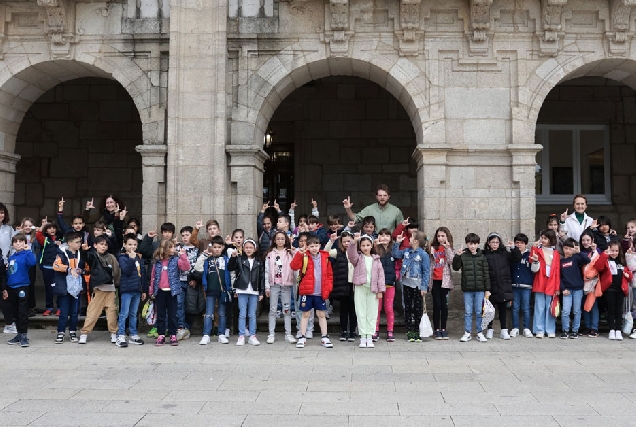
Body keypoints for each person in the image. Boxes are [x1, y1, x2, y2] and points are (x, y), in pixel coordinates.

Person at [291, 235, 334, 349]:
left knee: (321, 314)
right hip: (307, 291)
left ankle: (324, 336)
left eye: (316, 246)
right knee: (305, 314)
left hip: (320, 292)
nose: (314, 248)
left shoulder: (325, 258)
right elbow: (294, 266)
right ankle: (302, 336)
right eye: (311, 246)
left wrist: (328, 287)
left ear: (320, 245)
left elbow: (329, 275)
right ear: (307, 247)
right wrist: (300, 253)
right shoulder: (304, 257)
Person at [79, 235, 121, 344]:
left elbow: (116, 271)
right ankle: (84, 333)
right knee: (93, 313)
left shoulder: (111, 257)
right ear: (95, 245)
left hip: (110, 289)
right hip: (99, 289)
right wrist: (83, 251)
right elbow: (87, 258)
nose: (103, 247)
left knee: (112, 313)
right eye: (101, 244)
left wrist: (116, 284)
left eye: (105, 245)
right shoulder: (93, 255)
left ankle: (113, 333)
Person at [149, 239, 190, 346]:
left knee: (173, 314)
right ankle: (161, 334)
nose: (174, 249)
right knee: (161, 314)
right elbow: (153, 277)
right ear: (165, 249)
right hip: (160, 291)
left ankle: (172, 334)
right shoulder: (157, 262)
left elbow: (186, 267)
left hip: (173, 291)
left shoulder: (176, 260)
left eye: (174, 247)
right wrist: (152, 290)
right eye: (171, 247)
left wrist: (183, 256)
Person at [348, 233, 385, 348]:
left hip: (373, 289)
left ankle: (370, 336)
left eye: (368, 245)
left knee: (372, 313)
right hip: (360, 287)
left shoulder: (376, 259)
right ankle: (363, 336)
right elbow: (351, 255)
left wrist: (380, 290)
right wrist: (354, 242)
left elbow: (381, 276)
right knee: (361, 312)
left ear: (371, 246)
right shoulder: (358, 258)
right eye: (363, 245)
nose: (365, 247)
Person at [392, 231, 430, 342]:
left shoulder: (423, 254)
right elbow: (395, 255)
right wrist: (397, 243)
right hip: (406, 283)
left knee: (417, 309)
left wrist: (424, 287)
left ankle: (417, 331)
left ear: (416, 241)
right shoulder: (407, 251)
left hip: (417, 285)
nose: (408, 239)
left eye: (411, 237)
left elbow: (426, 271)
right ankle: (409, 331)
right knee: (407, 307)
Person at [482, 232, 521, 340]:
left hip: (503, 285)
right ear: (488, 243)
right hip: (491, 285)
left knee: (503, 308)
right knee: (490, 309)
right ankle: (489, 329)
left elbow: (517, 258)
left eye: (497, 242)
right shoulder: (485, 254)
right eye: (492, 242)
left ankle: (504, 330)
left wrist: (513, 247)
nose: (495, 244)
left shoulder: (505, 254)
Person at [453, 233, 490, 343]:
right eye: (470, 244)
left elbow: (486, 274)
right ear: (467, 244)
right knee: (468, 312)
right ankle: (467, 333)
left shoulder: (482, 257)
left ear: (478, 244)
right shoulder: (464, 255)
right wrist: (457, 256)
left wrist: (487, 289)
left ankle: (480, 333)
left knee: (479, 312)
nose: (472, 246)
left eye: (474, 244)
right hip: (467, 289)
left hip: (479, 289)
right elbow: (455, 267)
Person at [195, 235, 231, 345]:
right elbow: (197, 267)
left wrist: (230, 288)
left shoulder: (226, 259)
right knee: (209, 313)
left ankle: (221, 334)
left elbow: (231, 273)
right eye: (214, 247)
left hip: (223, 290)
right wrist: (204, 254)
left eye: (219, 247)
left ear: (223, 247)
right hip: (210, 290)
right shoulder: (208, 260)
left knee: (221, 313)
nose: (216, 249)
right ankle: (206, 334)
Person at [228, 238, 264, 346]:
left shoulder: (258, 261)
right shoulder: (239, 259)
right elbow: (230, 267)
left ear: (255, 249)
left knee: (252, 314)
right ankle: (241, 335)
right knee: (242, 314)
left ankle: (252, 335)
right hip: (242, 289)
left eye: (251, 247)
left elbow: (261, 277)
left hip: (254, 289)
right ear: (243, 248)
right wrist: (233, 257)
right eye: (246, 247)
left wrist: (261, 292)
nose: (248, 249)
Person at [52, 232, 87, 344]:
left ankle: (72, 331)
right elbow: (56, 266)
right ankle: (61, 332)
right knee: (64, 311)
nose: (79, 244)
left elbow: (85, 268)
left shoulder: (80, 254)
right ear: (69, 243)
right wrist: (68, 269)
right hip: (64, 287)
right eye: (77, 242)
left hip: (76, 287)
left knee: (74, 312)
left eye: (80, 242)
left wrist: (81, 271)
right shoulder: (61, 253)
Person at [264, 231, 297, 344]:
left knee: (286, 310)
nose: (280, 241)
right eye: (278, 239)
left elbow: (297, 261)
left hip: (286, 284)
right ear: (274, 240)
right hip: (274, 284)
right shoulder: (270, 254)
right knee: (273, 310)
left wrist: (293, 251)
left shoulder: (289, 253)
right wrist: (267, 287)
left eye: (282, 239)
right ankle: (271, 334)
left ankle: (288, 334)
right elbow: (267, 271)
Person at [595, 242, 632, 340]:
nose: (614, 253)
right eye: (612, 250)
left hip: (620, 289)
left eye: (616, 251)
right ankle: (611, 330)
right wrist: (605, 254)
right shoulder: (606, 260)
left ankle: (618, 330)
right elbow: (598, 267)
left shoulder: (622, 261)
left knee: (619, 311)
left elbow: (628, 272)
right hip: (609, 289)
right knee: (611, 310)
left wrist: (629, 276)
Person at [4, 234, 36, 347]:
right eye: (16, 242)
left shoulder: (26, 254)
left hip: (22, 286)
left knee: (22, 311)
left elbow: (32, 263)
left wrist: (28, 251)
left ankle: (23, 334)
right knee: (15, 312)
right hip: (11, 287)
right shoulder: (12, 257)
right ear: (12, 244)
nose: (18, 244)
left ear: (25, 243)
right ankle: (18, 334)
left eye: (21, 241)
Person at [115, 233, 147, 347]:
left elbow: (142, 273)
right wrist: (131, 259)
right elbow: (126, 271)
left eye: (134, 244)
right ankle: (121, 335)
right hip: (127, 289)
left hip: (137, 289)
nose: (132, 247)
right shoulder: (122, 257)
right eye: (129, 244)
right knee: (124, 313)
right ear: (124, 245)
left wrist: (144, 290)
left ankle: (133, 334)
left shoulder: (139, 257)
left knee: (134, 313)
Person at [530, 229, 561, 339]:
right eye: (542, 238)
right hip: (540, 281)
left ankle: (550, 329)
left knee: (550, 307)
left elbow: (557, 271)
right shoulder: (537, 250)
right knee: (539, 307)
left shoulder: (556, 253)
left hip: (551, 282)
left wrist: (557, 287)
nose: (543, 240)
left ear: (551, 240)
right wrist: (534, 248)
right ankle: (539, 329)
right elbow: (531, 261)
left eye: (545, 238)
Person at [559, 238, 591, 339]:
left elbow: (587, 260)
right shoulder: (561, 261)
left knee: (577, 310)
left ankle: (575, 330)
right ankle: (565, 330)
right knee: (565, 311)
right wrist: (563, 289)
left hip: (578, 289)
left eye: (569, 248)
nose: (567, 250)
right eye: (565, 248)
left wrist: (579, 252)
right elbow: (558, 277)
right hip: (567, 289)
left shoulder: (576, 258)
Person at [429, 227, 455, 340]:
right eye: (439, 236)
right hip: (434, 280)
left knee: (444, 306)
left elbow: (451, 261)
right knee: (437, 305)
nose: (440, 238)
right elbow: (431, 263)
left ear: (447, 237)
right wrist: (430, 253)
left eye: (443, 236)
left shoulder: (448, 248)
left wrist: (448, 249)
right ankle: (436, 329)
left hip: (445, 281)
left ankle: (443, 328)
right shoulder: (433, 248)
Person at [176, 226, 199, 341]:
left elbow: (198, 265)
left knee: (191, 306)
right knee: (179, 304)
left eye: (187, 235)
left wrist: (195, 279)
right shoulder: (178, 248)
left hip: (191, 281)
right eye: (183, 235)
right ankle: (181, 327)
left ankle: (187, 327)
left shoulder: (197, 248)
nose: (185, 237)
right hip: (179, 280)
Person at [374, 229, 397, 342]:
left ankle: (390, 330)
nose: (384, 238)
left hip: (390, 284)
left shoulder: (393, 250)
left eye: (387, 235)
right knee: (377, 309)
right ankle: (375, 330)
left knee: (388, 308)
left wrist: (396, 274)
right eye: (381, 235)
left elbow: (398, 264)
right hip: (377, 285)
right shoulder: (375, 249)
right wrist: (375, 246)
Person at [510, 233, 534, 338]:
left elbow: (535, 269)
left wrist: (536, 261)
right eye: (517, 243)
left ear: (526, 244)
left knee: (526, 308)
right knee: (515, 308)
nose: (519, 245)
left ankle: (526, 328)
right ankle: (515, 327)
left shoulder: (530, 255)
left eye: (522, 243)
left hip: (526, 286)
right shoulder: (512, 255)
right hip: (514, 285)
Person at [36, 220, 61, 316]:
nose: (52, 230)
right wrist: (43, 225)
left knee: (59, 289)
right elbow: (38, 235)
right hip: (47, 267)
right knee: (48, 289)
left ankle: (60, 308)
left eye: (53, 228)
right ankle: (49, 308)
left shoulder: (61, 238)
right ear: (46, 231)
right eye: (49, 228)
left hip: (59, 267)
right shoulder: (45, 239)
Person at [580, 230, 601, 337]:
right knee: (585, 305)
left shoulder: (597, 251)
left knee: (594, 305)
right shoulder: (580, 252)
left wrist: (595, 251)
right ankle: (587, 327)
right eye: (583, 240)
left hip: (593, 282)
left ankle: (594, 328)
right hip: (582, 283)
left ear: (592, 240)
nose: (585, 242)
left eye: (588, 240)